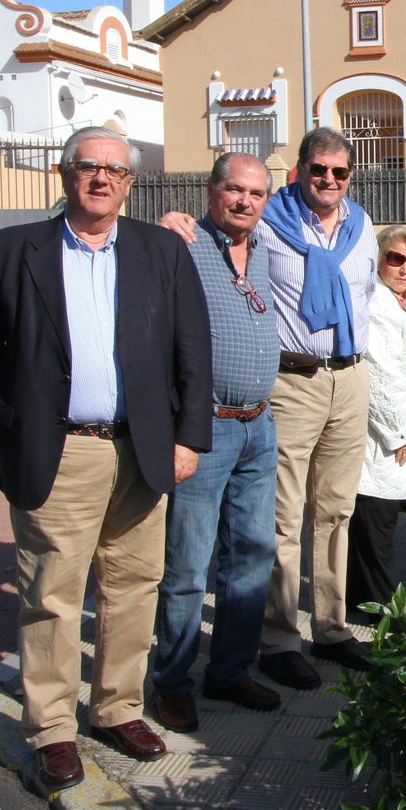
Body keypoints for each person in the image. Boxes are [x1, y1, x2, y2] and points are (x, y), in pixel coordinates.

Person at [0, 126, 212, 793]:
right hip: (61, 451)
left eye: (116, 172)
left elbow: (192, 350)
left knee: (134, 584)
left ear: (130, 184)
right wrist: (14, 435)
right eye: (89, 167)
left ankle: (118, 707)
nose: (102, 179)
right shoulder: (10, 251)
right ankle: (51, 730)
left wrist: (188, 439)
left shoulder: (161, 250)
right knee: (52, 595)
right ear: (65, 172)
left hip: (143, 448)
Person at [159, 127, 378, 688]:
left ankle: (330, 627)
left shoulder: (362, 227)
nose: (328, 180)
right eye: (318, 170)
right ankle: (279, 637)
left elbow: (370, 296)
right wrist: (171, 222)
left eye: (340, 172)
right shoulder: (269, 225)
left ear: (350, 177)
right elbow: (211, 238)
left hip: (349, 377)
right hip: (292, 382)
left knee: (336, 511)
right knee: (281, 519)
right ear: (299, 171)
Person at [151, 153, 282, 735]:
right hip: (205, 426)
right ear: (212, 190)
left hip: (260, 424)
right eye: (234, 190)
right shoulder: (182, 244)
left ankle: (229, 669)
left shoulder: (265, 250)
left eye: (255, 193)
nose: (244, 201)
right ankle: (172, 682)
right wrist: (160, 220)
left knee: (252, 557)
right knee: (188, 563)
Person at [348, 226, 406, 612]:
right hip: (386, 436)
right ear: (380, 259)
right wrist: (397, 432)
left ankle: (369, 594)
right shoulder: (379, 306)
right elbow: (379, 372)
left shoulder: (401, 305)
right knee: (375, 521)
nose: (405, 268)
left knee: (380, 522)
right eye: (396, 258)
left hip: (400, 435)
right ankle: (372, 602)